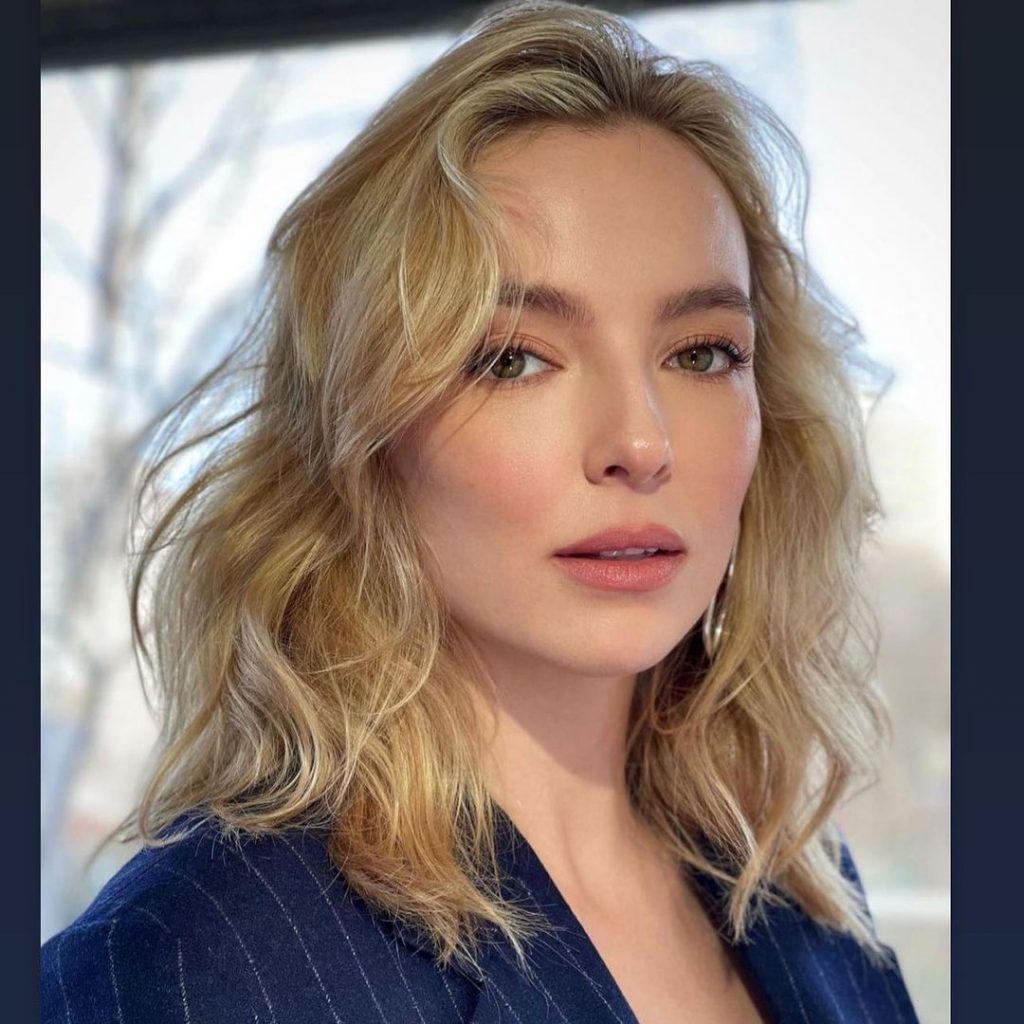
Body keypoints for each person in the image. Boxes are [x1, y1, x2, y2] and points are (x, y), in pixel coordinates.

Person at [40, 2, 921, 1021]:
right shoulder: (195, 958)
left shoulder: (799, 884)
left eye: (701, 353)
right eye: (513, 359)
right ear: (361, 429)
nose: (641, 443)